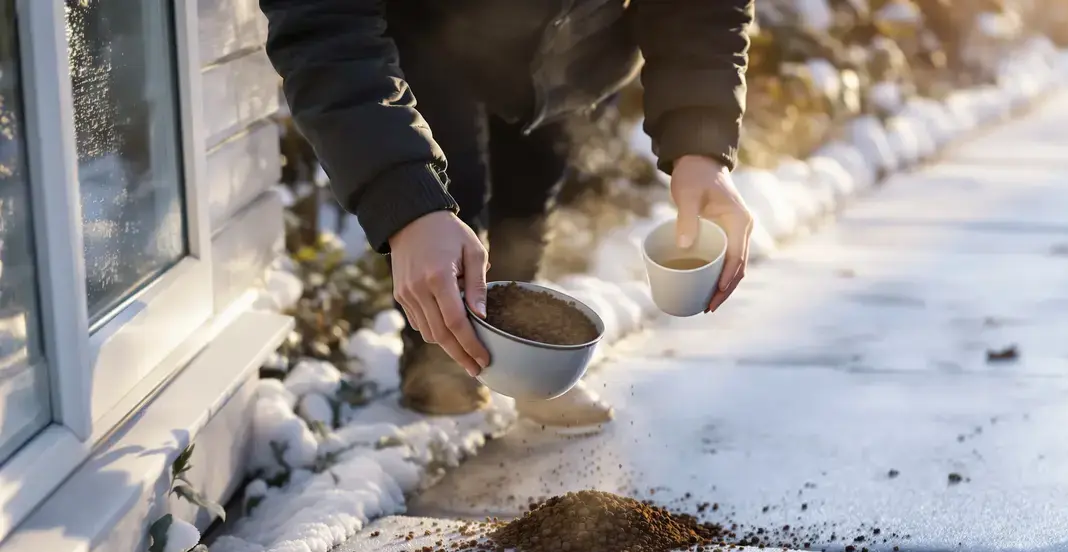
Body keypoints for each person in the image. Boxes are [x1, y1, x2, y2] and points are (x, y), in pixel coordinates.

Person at [259, 0, 756, 428]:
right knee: (449, 196)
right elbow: (324, 23)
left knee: (529, 194)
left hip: (572, 43)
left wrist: (701, 141)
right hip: (424, 30)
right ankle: (440, 370)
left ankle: (522, 361)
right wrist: (405, 203)